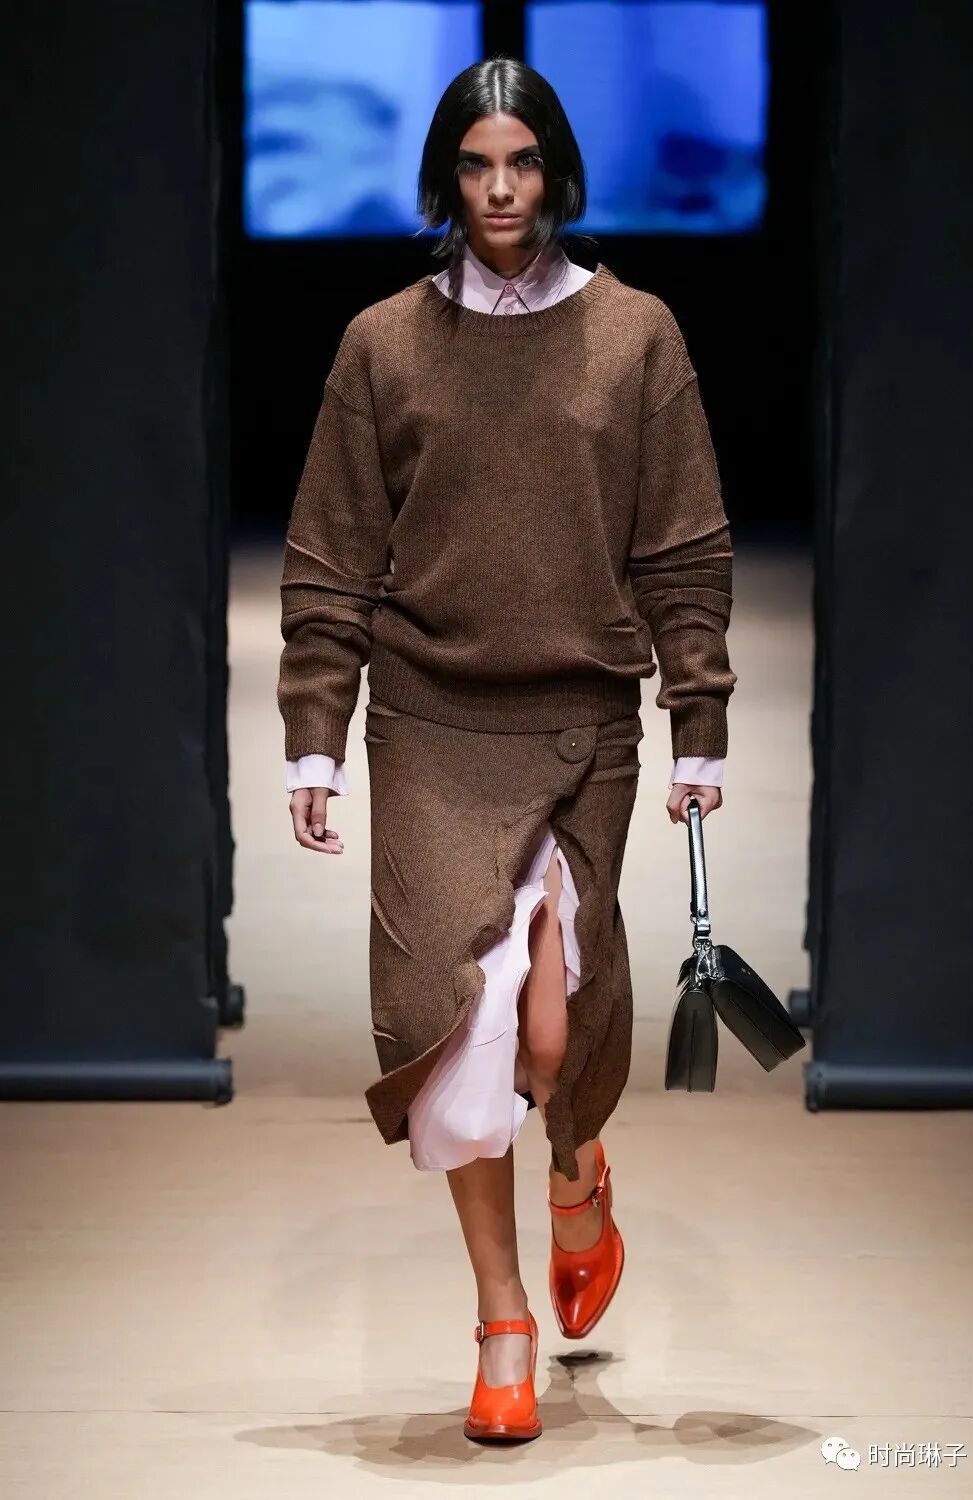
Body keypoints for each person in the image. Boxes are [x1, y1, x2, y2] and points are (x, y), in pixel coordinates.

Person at [276, 55, 736, 1444]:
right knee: (451, 1029)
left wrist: (698, 719)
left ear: (556, 172)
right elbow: (332, 553)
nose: (499, 191)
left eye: (521, 163)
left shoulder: (636, 336)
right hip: (429, 718)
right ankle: (502, 1316)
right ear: (446, 177)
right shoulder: (384, 345)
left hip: (584, 718)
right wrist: (315, 739)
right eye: (476, 166)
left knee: (549, 1030)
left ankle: (577, 1163)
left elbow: (684, 547)